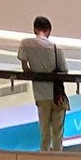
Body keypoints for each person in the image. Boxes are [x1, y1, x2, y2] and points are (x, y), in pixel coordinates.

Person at [18, 16, 69, 152]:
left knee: (45, 133)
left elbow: (25, 68)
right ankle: (57, 157)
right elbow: (64, 70)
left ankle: (44, 156)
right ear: (49, 30)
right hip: (58, 96)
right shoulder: (56, 48)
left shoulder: (25, 44)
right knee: (58, 133)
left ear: (34, 29)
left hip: (41, 95)